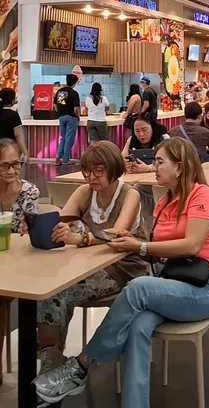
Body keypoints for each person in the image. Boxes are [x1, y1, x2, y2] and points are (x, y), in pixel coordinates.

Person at [34, 138, 209, 408]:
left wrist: (139, 246)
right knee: (137, 327)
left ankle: (81, 364)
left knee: (138, 287)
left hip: (206, 288)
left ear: (180, 167)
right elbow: (155, 252)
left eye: (159, 162)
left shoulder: (201, 194)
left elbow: (192, 245)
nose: (153, 167)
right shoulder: (164, 202)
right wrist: (133, 244)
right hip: (171, 283)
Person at [36, 141, 149, 373]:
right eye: (87, 171)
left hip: (123, 266)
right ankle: (51, 358)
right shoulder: (84, 192)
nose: (91, 177)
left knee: (59, 294)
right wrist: (43, 226)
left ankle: (52, 367)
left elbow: (117, 233)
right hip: (88, 263)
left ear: (114, 169)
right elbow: (63, 221)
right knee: (48, 290)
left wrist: (80, 238)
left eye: (98, 171)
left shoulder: (130, 195)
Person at [0, 139, 39, 384]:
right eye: (5, 166)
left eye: (16, 164)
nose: (12, 170)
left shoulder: (29, 191)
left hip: (21, 264)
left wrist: (29, 226)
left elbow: (31, 233)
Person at [122, 114, 169, 223]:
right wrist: (126, 164)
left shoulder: (164, 139)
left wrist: (148, 168)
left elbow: (170, 163)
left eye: (144, 130)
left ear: (152, 127)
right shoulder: (131, 140)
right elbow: (121, 159)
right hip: (140, 187)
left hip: (162, 186)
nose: (141, 134)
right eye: (137, 131)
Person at [54, 74, 81, 165]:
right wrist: (78, 116)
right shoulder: (74, 93)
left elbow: (55, 104)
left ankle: (59, 155)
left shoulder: (60, 92)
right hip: (71, 117)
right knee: (69, 138)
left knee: (63, 137)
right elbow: (76, 109)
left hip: (61, 117)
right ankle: (65, 159)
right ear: (74, 83)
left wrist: (59, 111)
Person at [0, 88, 29, 163]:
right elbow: (18, 135)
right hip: (9, 147)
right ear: (12, 100)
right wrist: (25, 152)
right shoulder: (14, 115)